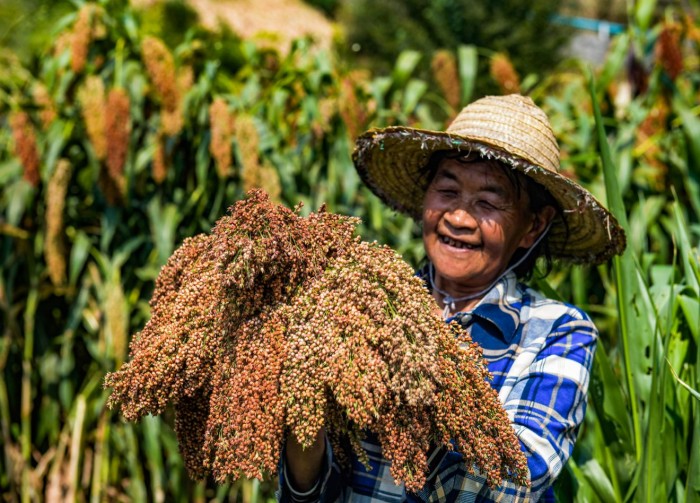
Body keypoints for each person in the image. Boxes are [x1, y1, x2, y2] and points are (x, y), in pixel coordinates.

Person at [277, 94, 626, 502]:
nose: (459, 218)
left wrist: (416, 371)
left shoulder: (557, 332)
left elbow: (515, 480)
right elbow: (310, 492)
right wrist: (303, 418)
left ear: (533, 226)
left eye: (488, 202)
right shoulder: (362, 309)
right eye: (447, 190)